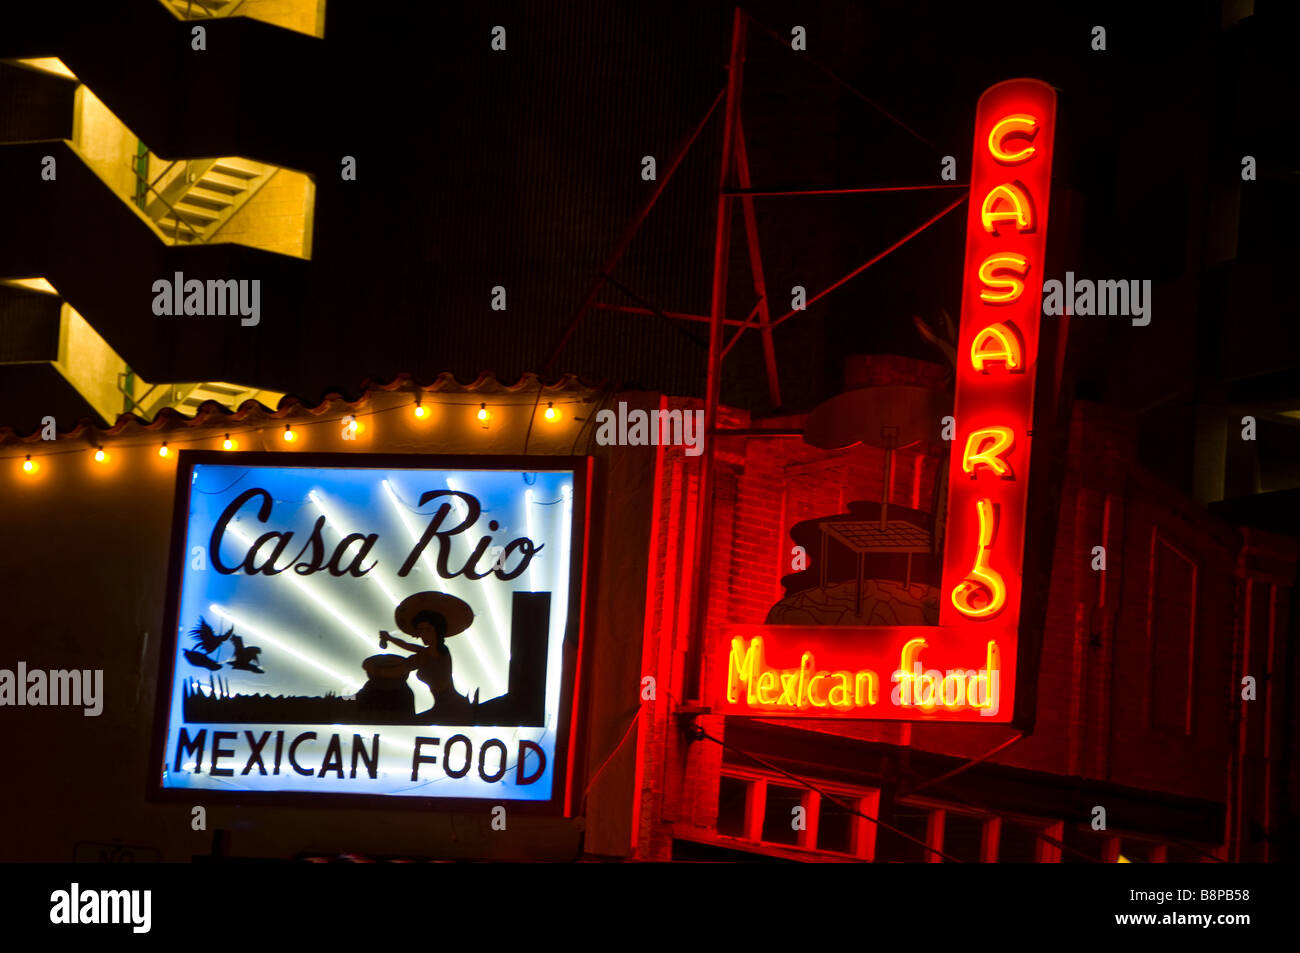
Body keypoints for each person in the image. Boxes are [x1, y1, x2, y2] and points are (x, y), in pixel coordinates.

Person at [376, 591, 476, 722]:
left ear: (438, 630)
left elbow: (411, 649)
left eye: (427, 630)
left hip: (451, 707)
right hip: (443, 706)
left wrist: (389, 640)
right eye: (420, 630)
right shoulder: (427, 653)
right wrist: (389, 638)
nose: (423, 634)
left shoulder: (437, 652)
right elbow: (407, 646)